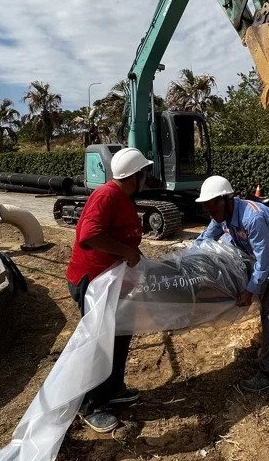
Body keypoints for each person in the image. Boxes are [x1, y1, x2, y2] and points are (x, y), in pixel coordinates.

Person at [65, 147, 152, 432]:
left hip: (112, 282)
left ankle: (113, 389)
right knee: (99, 343)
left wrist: (133, 256)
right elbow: (89, 235)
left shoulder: (123, 196)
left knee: (121, 333)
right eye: (144, 173)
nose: (147, 177)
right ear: (134, 176)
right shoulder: (106, 195)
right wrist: (126, 251)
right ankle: (90, 405)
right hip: (92, 282)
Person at [195, 175, 269, 392]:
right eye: (207, 211)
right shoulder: (220, 215)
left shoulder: (251, 218)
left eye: (213, 210)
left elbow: (264, 263)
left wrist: (249, 290)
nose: (212, 216)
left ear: (226, 200)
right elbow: (204, 239)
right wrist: (188, 261)